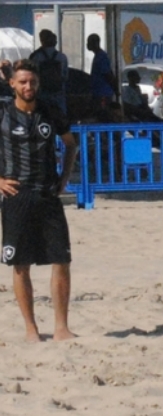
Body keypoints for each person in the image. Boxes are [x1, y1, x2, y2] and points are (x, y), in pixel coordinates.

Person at [0, 60, 79, 343]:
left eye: (32, 82)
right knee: (21, 264)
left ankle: (61, 327)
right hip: (16, 195)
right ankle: (31, 329)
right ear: (12, 84)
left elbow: (71, 143)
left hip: (48, 194)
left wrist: (64, 177)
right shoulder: (3, 111)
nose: (28, 86)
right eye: (22, 82)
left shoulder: (50, 111)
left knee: (61, 259)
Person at [29, 29, 68, 114]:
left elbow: (31, 74)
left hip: (42, 93)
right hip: (58, 93)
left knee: (42, 115)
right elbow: (65, 76)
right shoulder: (62, 57)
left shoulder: (36, 56)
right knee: (60, 116)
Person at [86, 34, 116, 120]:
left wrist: (114, 88)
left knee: (103, 116)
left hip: (102, 94)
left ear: (95, 43)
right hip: (98, 93)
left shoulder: (101, 57)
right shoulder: (98, 56)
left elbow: (107, 74)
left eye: (89, 42)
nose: (87, 44)